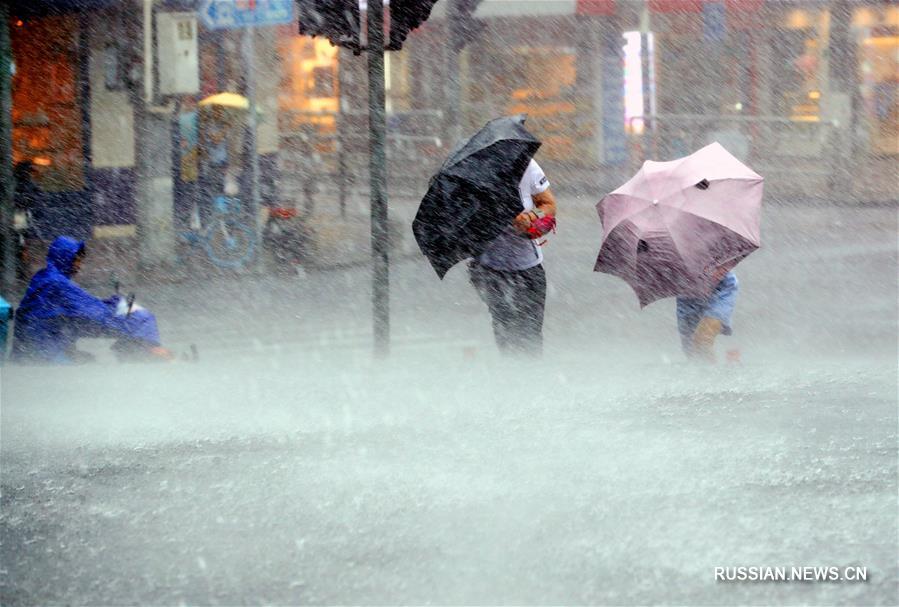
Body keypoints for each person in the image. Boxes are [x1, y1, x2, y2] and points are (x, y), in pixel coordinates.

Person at [11, 236, 171, 364]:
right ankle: (151, 352)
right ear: (65, 258)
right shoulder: (56, 283)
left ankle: (147, 350)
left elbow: (80, 307)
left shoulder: (46, 276)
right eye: (76, 260)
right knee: (90, 362)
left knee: (88, 359)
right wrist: (130, 321)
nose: (79, 266)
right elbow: (95, 313)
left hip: (32, 348)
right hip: (44, 351)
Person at [468, 158, 557, 355]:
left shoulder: (527, 166)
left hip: (528, 266)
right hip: (489, 268)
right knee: (505, 326)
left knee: (530, 331)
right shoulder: (474, 172)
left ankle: (529, 376)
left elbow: (549, 204)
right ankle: (512, 376)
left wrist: (530, 217)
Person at [676, 268, 739, 362]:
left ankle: (715, 373)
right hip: (686, 294)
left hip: (719, 286)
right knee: (692, 351)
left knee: (702, 340)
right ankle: (713, 370)